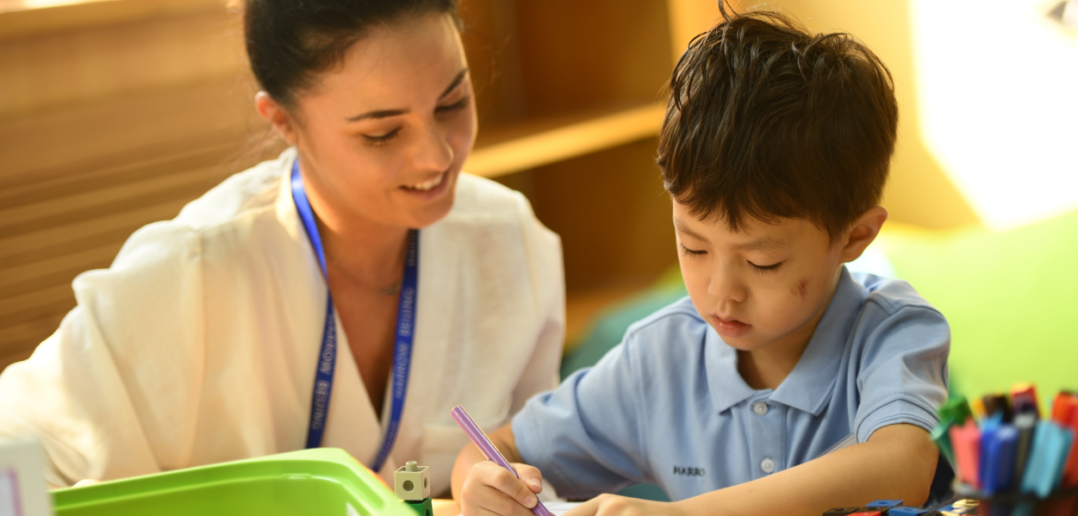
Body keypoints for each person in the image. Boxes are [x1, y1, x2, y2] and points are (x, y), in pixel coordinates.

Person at [0, 0, 564, 495]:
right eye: (383, 133)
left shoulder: (510, 240)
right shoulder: (189, 275)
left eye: (452, 102)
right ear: (284, 122)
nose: (437, 156)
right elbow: (12, 461)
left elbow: (540, 465)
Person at [452, 7, 951, 516]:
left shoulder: (893, 334)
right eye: (693, 248)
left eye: (762, 262)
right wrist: (485, 485)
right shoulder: (658, 360)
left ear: (855, 237)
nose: (720, 291)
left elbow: (901, 467)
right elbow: (494, 449)